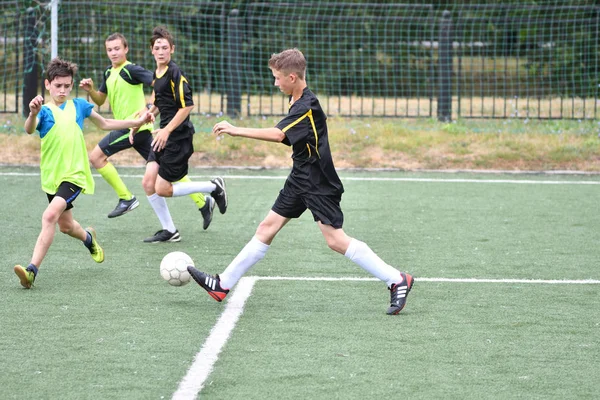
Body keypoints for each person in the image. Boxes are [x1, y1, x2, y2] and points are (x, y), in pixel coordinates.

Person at [187, 48, 414, 315]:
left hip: (317, 181)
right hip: (301, 176)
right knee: (266, 228)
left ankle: (397, 280)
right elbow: (288, 137)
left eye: (277, 78)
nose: (275, 83)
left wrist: (236, 129)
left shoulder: (306, 106)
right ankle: (222, 284)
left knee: (335, 240)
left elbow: (277, 134)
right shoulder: (297, 101)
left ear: (292, 77)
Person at [14, 57, 154, 288]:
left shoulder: (79, 105)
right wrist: (31, 113)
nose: (63, 90)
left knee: (49, 216)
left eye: (67, 86)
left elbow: (106, 124)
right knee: (66, 226)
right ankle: (89, 239)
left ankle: (31, 272)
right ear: (48, 85)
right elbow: (30, 129)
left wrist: (137, 120)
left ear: (72, 85)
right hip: (52, 177)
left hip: (75, 175)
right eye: (58, 85)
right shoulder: (44, 111)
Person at [79, 33, 216, 230]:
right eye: (109, 50)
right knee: (165, 170)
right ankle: (203, 202)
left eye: (117, 48)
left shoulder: (131, 70)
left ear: (126, 49)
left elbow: (157, 84)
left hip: (133, 127)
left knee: (96, 156)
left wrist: (148, 108)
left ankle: (126, 198)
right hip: (136, 129)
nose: (113, 53)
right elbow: (100, 100)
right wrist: (91, 90)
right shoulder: (109, 72)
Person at [134, 26, 227, 243]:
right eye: (157, 47)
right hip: (162, 135)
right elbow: (159, 101)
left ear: (172, 50)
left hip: (178, 137)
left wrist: (166, 130)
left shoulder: (176, 73)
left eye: (165, 47)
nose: (161, 51)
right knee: (148, 182)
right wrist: (146, 116)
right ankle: (170, 230)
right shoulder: (157, 75)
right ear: (151, 50)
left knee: (162, 188)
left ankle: (214, 187)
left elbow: (187, 106)